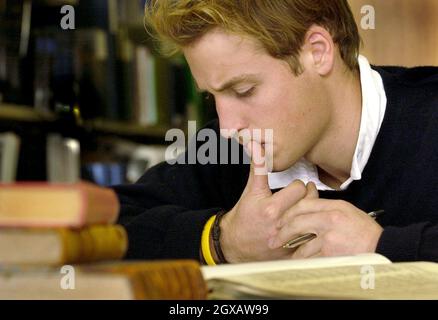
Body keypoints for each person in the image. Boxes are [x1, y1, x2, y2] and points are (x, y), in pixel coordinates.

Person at [113, 0, 438, 264]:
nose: (228, 128)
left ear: (318, 51)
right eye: (212, 96)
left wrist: (381, 245)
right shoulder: (227, 149)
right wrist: (223, 242)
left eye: (244, 90)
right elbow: (105, 227)